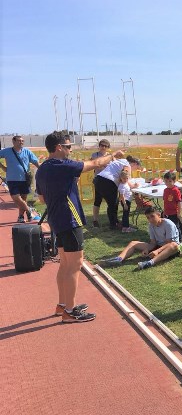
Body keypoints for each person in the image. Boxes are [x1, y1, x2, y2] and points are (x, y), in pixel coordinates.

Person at [36, 131, 125, 323]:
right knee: (75, 265)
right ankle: (69, 310)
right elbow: (95, 164)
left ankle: (63, 304)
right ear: (59, 147)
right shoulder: (63, 165)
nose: (70, 150)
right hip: (70, 220)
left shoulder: (42, 169)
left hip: (57, 220)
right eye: (68, 146)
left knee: (65, 264)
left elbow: (41, 198)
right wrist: (113, 156)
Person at [102, 206, 181, 270]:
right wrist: (147, 249)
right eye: (148, 218)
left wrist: (157, 251)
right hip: (158, 246)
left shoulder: (168, 224)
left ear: (159, 215)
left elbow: (169, 243)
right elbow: (153, 242)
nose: (150, 219)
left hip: (169, 249)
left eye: (152, 216)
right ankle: (119, 259)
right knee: (133, 243)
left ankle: (150, 263)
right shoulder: (151, 225)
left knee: (174, 245)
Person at [93, 154, 142, 229]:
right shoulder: (127, 165)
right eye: (136, 168)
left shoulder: (121, 161)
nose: (134, 170)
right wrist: (132, 186)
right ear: (135, 164)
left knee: (104, 202)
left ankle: (112, 222)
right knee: (113, 204)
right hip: (108, 181)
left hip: (98, 179)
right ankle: (114, 224)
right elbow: (125, 177)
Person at [0, 135, 40, 222]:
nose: (21, 142)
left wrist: (41, 171)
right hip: (12, 179)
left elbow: (35, 161)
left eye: (22, 141)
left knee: (23, 199)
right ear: (13, 142)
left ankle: (21, 217)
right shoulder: (7, 151)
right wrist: (3, 167)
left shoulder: (26, 151)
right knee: (16, 198)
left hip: (25, 179)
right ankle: (29, 210)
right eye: (19, 141)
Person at [89, 139, 111, 227]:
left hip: (108, 180)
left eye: (105, 146)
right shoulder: (95, 155)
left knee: (111, 201)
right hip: (98, 180)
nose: (103, 147)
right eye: (102, 145)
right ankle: (95, 220)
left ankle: (112, 220)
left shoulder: (110, 156)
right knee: (97, 200)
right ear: (99, 146)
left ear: (108, 147)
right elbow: (91, 164)